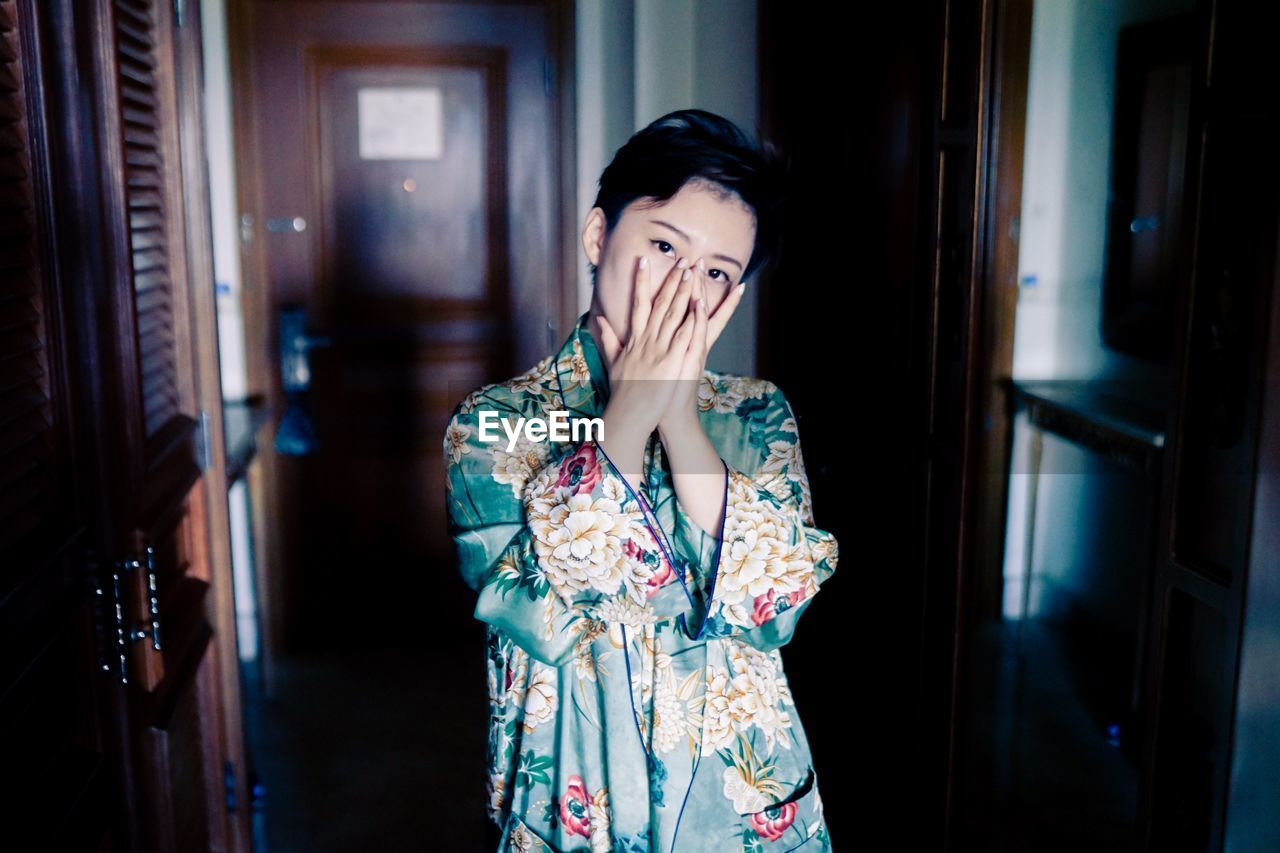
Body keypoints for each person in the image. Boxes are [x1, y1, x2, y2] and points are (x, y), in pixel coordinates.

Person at [443, 108, 839, 852]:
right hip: (575, 799)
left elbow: (771, 610)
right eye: (662, 245)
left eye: (717, 271)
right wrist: (629, 417)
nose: (683, 288)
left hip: (741, 811)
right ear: (598, 237)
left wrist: (681, 417)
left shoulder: (757, 414)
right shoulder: (494, 423)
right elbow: (545, 617)